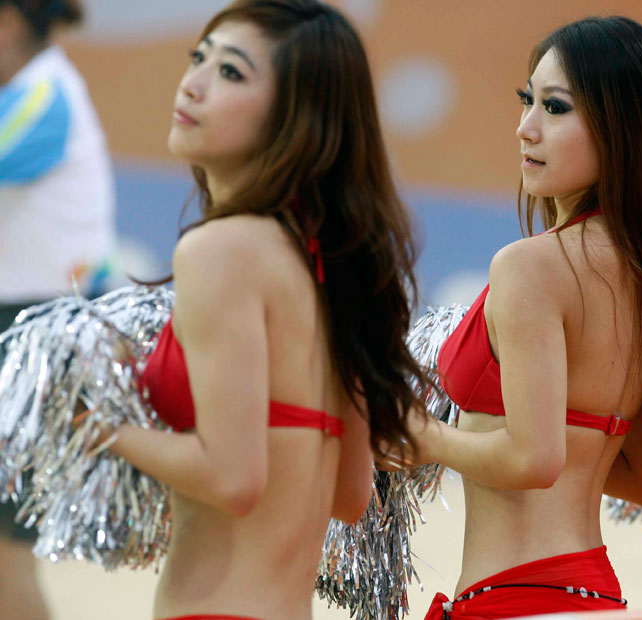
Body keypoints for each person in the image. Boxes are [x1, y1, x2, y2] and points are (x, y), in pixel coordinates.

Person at [98, 1, 428, 618]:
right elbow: (351, 494)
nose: (192, 83)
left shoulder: (221, 250)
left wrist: (100, 427)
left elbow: (232, 476)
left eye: (230, 72)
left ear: (295, 117)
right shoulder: (330, 267)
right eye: (198, 58)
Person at [393, 17, 642, 619]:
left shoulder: (531, 267)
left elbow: (532, 460)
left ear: (622, 129)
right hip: (592, 591)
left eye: (555, 108)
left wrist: (421, 435)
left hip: (515, 596)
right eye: (527, 100)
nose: (526, 127)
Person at [0, 1, 114, 618]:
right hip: (23, 332)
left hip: (35, 344)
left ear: (9, 23)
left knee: (6, 557)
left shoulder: (45, 94)